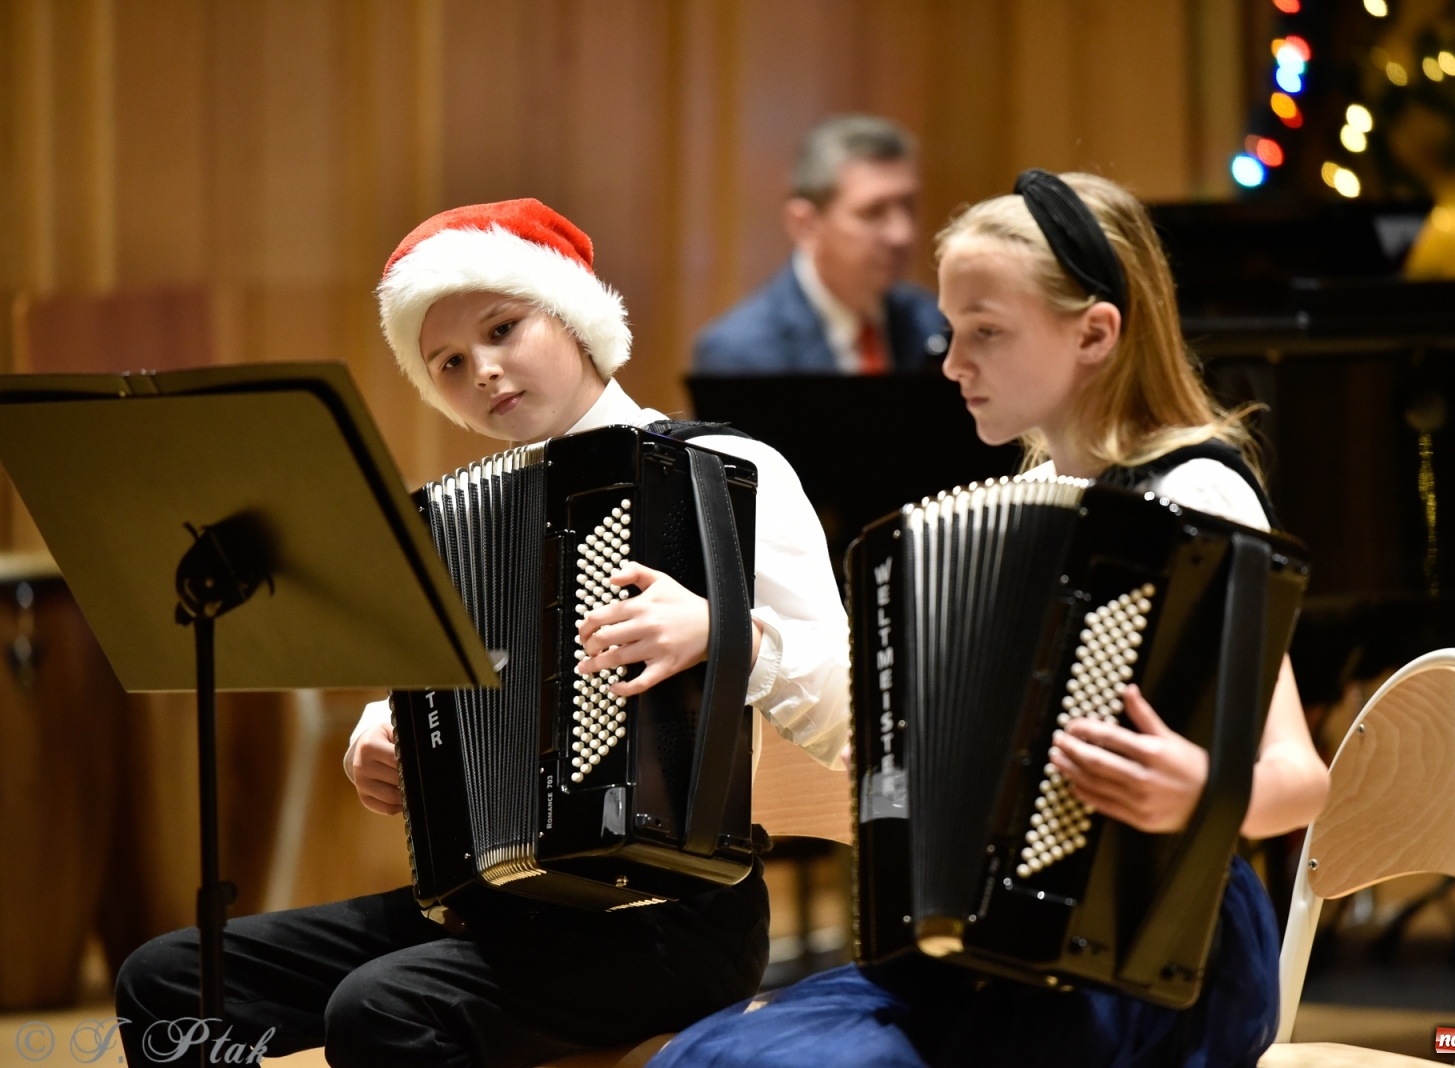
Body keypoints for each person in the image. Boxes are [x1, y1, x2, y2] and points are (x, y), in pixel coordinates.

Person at [114, 198, 851, 1068]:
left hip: (671, 920)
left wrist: (724, 634)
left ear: (575, 318)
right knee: (168, 981)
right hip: (496, 905)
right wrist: (383, 733)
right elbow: (446, 704)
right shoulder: (459, 515)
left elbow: (853, 715)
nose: (486, 372)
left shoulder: (728, 472)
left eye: (505, 329)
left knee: (383, 1010)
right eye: (451, 362)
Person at [648, 171, 1331, 1068]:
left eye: (986, 333)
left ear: (1095, 333)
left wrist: (1197, 790)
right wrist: (902, 768)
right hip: (998, 937)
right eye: (951, 330)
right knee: (709, 1059)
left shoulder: (1195, 496)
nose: (951, 363)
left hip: (1150, 948)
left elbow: (1297, 777)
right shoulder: (1031, 504)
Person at [692, 114, 947, 375]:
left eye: (908, 206)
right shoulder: (740, 353)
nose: (902, 234)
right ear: (805, 224)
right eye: (873, 212)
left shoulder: (936, 323)